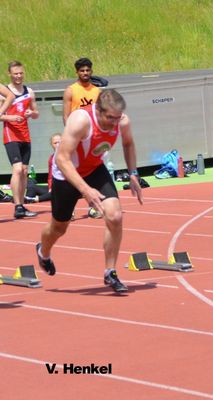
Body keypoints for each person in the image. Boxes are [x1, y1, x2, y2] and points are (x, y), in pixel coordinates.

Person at [36, 89, 143, 293]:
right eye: (110, 118)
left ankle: (110, 271)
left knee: (115, 216)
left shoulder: (122, 121)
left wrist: (133, 173)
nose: (114, 123)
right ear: (98, 110)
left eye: (117, 118)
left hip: (94, 169)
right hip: (66, 174)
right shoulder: (80, 120)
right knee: (59, 228)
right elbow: (62, 159)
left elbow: (128, 144)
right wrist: (85, 190)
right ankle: (44, 251)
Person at [63, 57, 103, 218]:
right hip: (75, 137)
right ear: (77, 72)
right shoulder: (71, 90)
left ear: (91, 71)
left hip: (92, 138)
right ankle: (68, 209)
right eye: (82, 71)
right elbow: (66, 116)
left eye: (87, 70)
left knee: (93, 172)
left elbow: (100, 114)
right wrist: (70, 135)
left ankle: (94, 206)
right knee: (72, 173)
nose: (85, 73)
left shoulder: (97, 91)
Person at [0, 61, 39, 218]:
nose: (18, 76)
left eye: (21, 73)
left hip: (25, 134)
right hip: (11, 134)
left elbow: (36, 113)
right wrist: (11, 117)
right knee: (16, 169)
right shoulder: (5, 93)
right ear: (10, 74)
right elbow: (0, 116)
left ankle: (21, 204)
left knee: (24, 171)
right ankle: (17, 206)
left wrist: (31, 113)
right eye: (15, 73)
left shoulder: (29, 91)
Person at [25, 133, 61, 203]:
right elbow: (50, 177)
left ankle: (35, 199)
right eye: (55, 143)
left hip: (70, 188)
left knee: (58, 191)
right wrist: (50, 187)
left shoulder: (71, 155)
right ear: (51, 145)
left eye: (59, 142)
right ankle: (26, 203)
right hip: (55, 188)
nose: (57, 145)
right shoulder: (51, 158)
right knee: (32, 187)